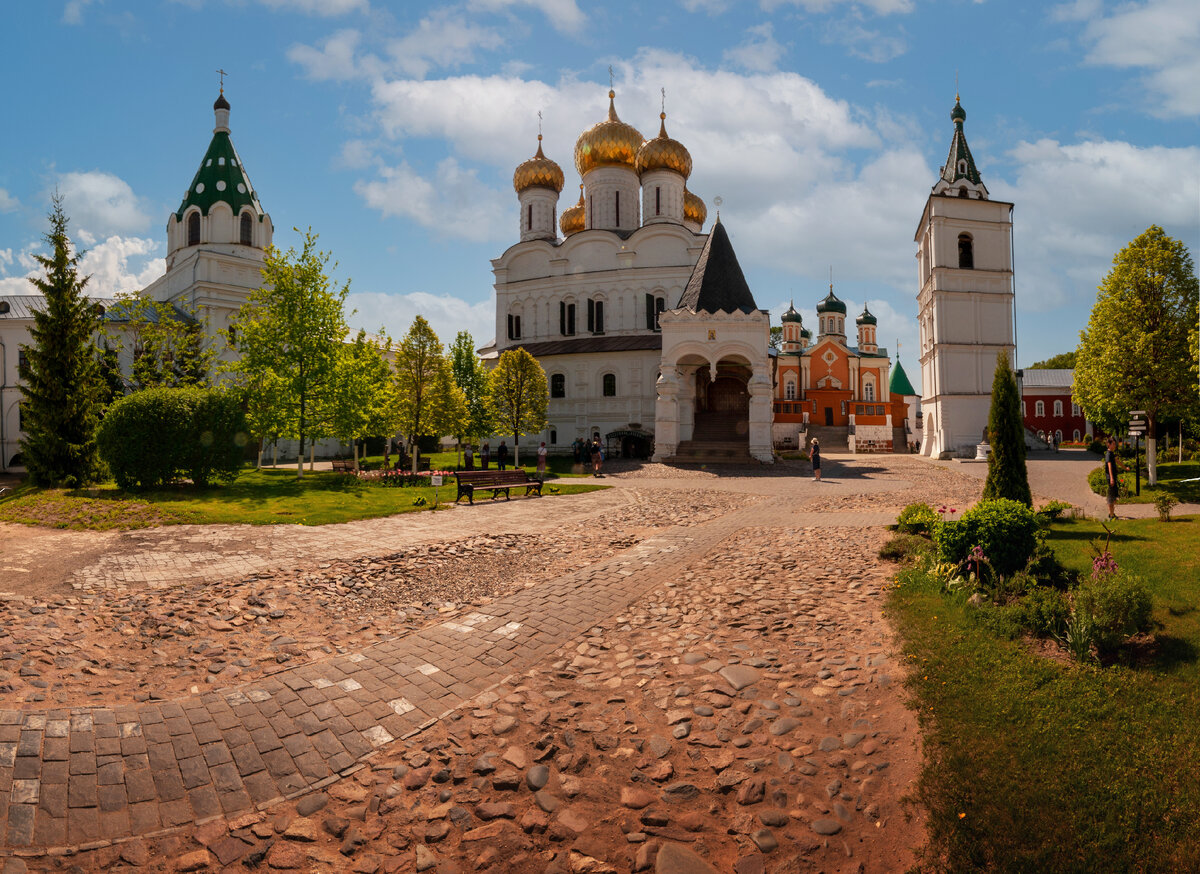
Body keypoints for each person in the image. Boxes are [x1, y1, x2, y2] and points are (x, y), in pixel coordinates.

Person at [1104, 436, 1119, 520]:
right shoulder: (1108, 454)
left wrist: (1125, 468)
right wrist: (1112, 478)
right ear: (1109, 444)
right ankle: (1111, 515)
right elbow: (1109, 466)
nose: (1115, 445)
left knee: (1113, 497)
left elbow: (1117, 461)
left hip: (1113, 477)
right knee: (1111, 497)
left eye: (1115, 444)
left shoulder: (1112, 453)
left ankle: (1112, 514)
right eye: (1113, 444)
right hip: (1110, 478)